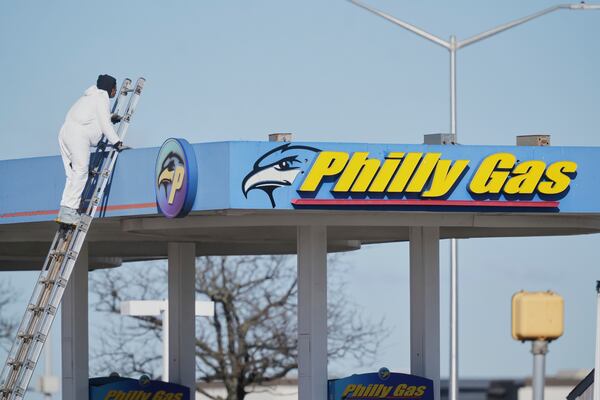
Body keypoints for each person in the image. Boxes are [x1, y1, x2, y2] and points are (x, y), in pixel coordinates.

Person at [56, 74, 126, 225]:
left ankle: (65, 209)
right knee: (81, 171)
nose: (115, 92)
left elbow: (96, 116)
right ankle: (70, 211)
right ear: (110, 88)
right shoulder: (101, 98)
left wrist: (110, 116)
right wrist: (117, 142)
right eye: (114, 88)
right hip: (78, 135)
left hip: (64, 132)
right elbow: (104, 124)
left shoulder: (88, 97)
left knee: (72, 173)